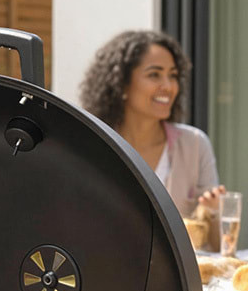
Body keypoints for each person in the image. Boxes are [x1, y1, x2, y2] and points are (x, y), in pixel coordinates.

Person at [78, 27, 220, 211]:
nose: (168, 86)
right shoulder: (94, 145)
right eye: (154, 75)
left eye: (173, 76)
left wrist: (212, 211)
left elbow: (216, 237)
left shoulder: (195, 145)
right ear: (121, 83)